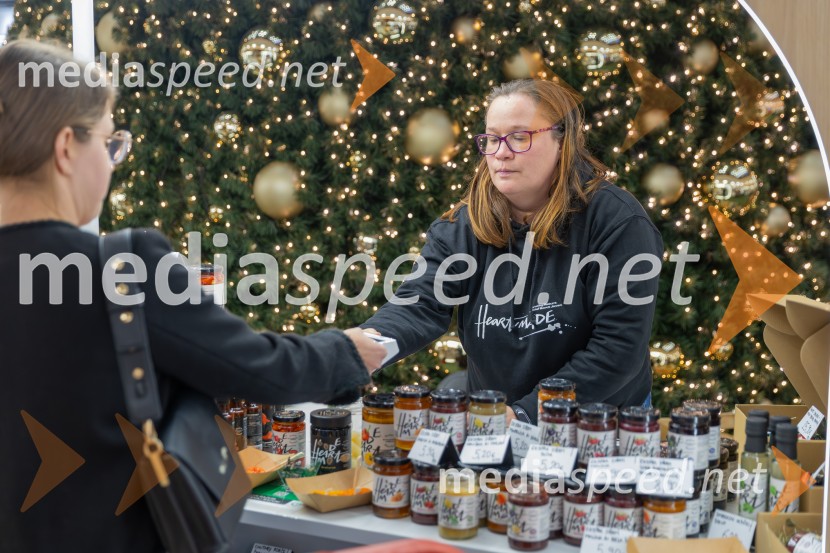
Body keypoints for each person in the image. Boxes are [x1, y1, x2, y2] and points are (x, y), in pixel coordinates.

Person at [0, 40, 386, 552]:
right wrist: (347, 353)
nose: (112, 162)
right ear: (66, 146)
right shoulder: (122, 267)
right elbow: (259, 368)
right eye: (109, 142)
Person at [363, 79, 663, 425]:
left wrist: (525, 414)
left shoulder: (617, 222)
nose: (501, 152)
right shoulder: (464, 225)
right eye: (491, 139)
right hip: (499, 420)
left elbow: (617, 350)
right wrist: (364, 345)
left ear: (562, 141)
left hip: (600, 422)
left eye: (519, 137)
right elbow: (418, 303)